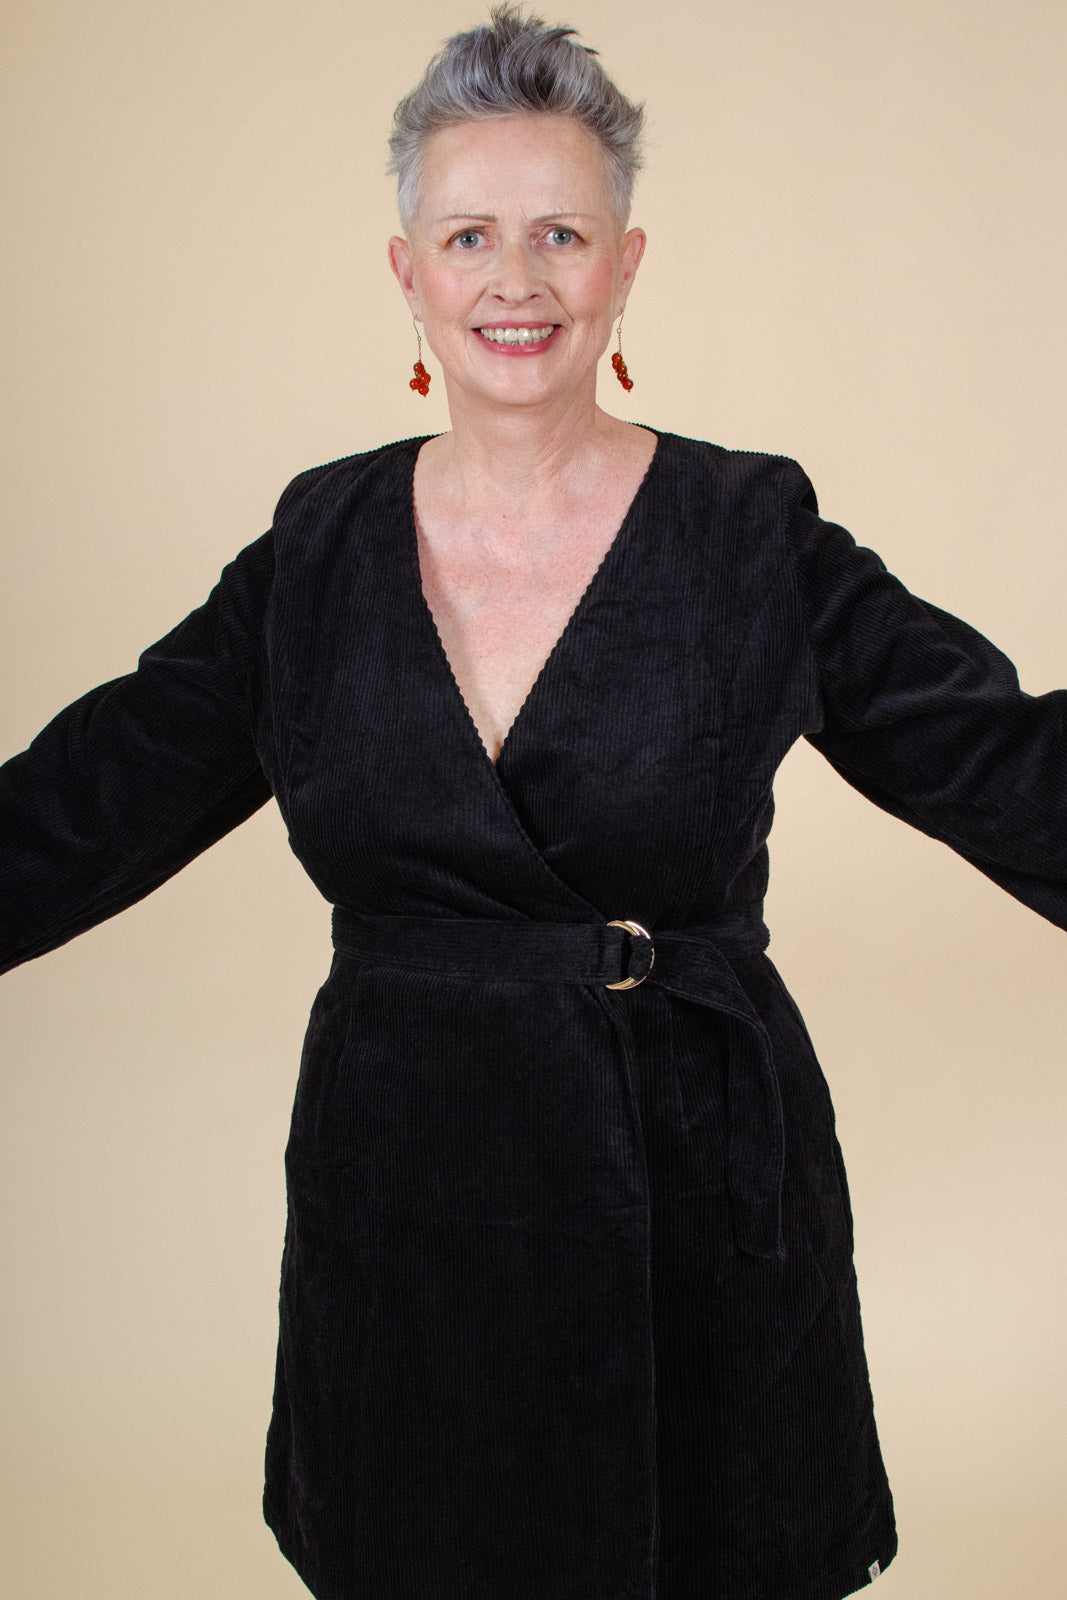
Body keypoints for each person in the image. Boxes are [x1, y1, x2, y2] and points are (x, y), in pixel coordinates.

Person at [1, 7, 1064, 1599]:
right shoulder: (316, 555)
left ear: (625, 265)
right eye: (471, 236)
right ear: (408, 272)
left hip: (694, 1206)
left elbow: (1004, 764)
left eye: (562, 234)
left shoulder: (748, 533)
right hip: (407, 1214)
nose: (518, 280)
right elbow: (84, 805)